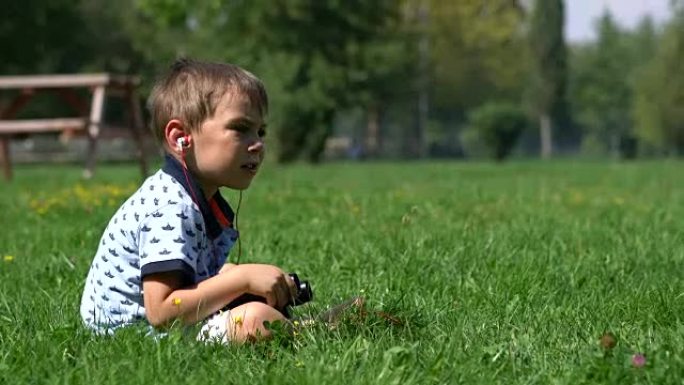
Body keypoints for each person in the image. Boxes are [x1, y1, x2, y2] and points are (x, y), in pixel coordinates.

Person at [79, 58, 296, 343]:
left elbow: (192, 276)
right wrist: (241, 279)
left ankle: (306, 327)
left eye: (260, 132)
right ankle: (316, 330)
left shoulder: (195, 197)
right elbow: (161, 311)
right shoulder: (169, 207)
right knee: (252, 318)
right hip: (137, 336)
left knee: (252, 299)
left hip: (161, 327)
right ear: (181, 138)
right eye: (240, 129)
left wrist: (241, 278)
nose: (257, 144)